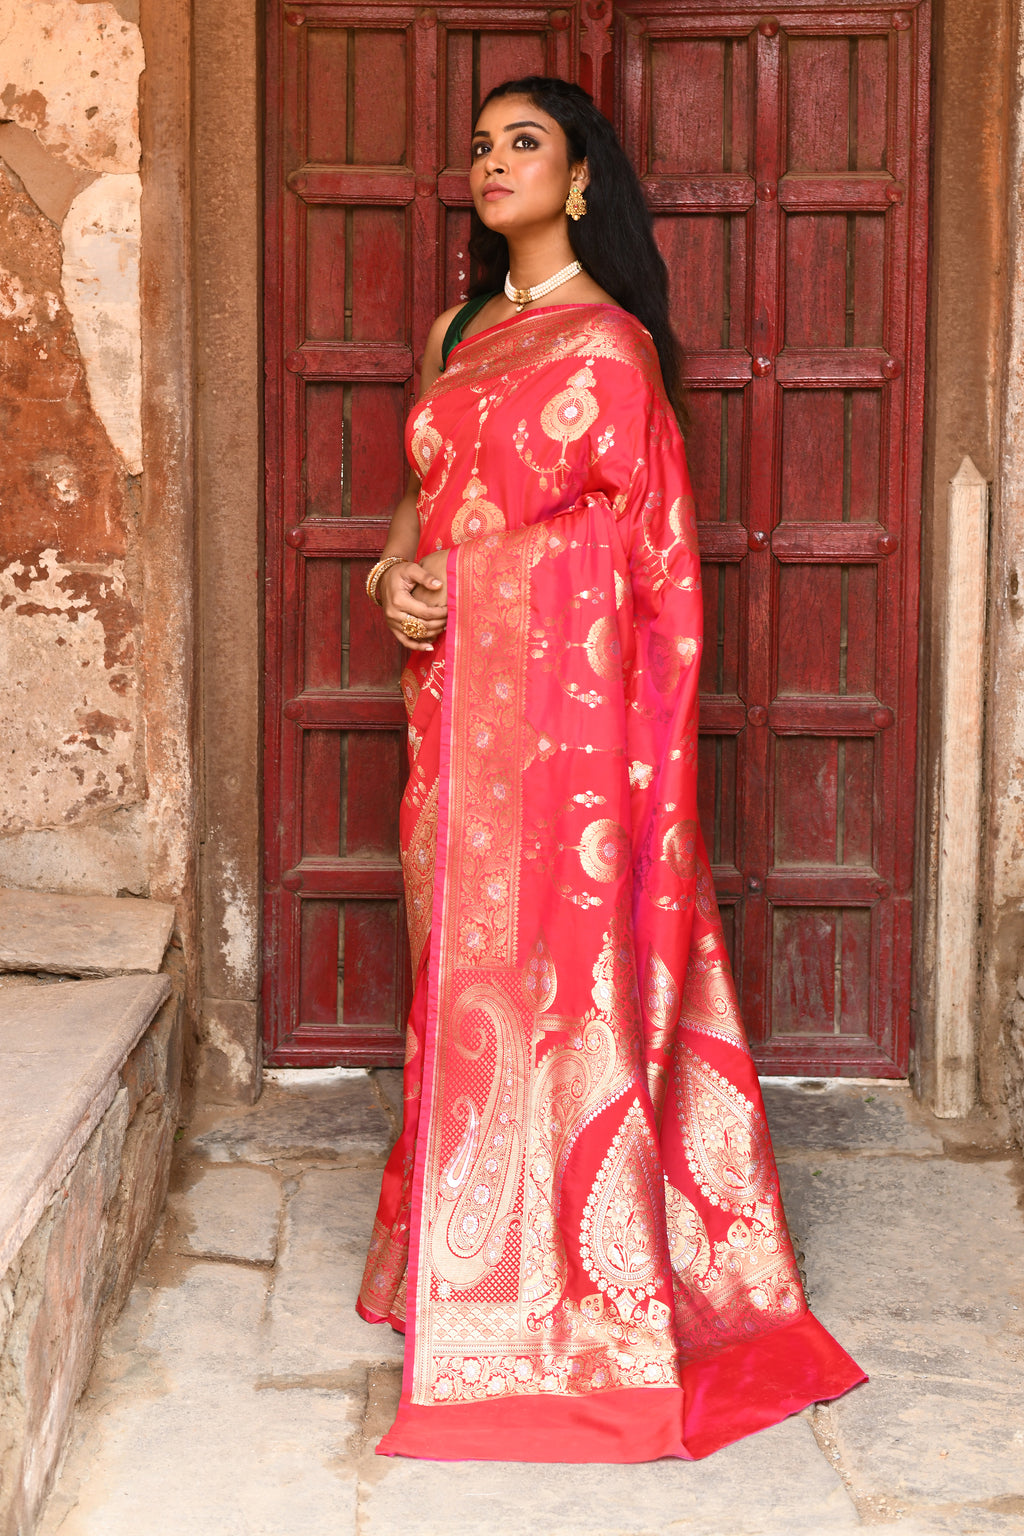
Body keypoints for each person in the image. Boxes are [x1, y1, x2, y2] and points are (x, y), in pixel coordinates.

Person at [357, 75, 865, 1462]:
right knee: (459, 970)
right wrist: (396, 578)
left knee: (553, 969)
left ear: (580, 178)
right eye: (480, 144)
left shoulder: (613, 345)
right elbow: (416, 499)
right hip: (451, 710)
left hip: (564, 733)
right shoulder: (457, 330)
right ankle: (459, 1249)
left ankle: (575, 1269)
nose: (493, 162)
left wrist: (478, 582)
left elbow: (640, 555)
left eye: (524, 143)